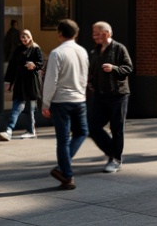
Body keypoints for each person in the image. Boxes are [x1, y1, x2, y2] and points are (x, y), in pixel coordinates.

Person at [41, 19, 90, 190]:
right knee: (82, 132)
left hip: (61, 101)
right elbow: (85, 76)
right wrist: (82, 94)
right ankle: (64, 169)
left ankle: (66, 174)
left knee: (63, 140)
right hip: (79, 99)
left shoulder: (57, 53)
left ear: (59, 33)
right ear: (76, 34)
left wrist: (45, 103)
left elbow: (51, 81)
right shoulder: (82, 51)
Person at [87, 21, 133, 174]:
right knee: (93, 126)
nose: (94, 37)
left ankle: (116, 159)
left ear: (106, 33)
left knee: (116, 128)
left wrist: (114, 68)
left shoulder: (119, 49)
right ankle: (111, 151)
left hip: (118, 95)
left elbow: (129, 68)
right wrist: (90, 82)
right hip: (100, 95)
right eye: (93, 33)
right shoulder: (95, 51)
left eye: (97, 33)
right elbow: (92, 70)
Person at [0, 28, 43, 141]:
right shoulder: (18, 50)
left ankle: (30, 131)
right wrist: (8, 81)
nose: (24, 39)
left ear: (30, 37)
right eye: (22, 37)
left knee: (30, 109)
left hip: (31, 82)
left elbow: (41, 62)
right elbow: (12, 67)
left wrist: (34, 65)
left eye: (26, 36)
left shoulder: (35, 48)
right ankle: (9, 130)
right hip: (20, 82)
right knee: (16, 106)